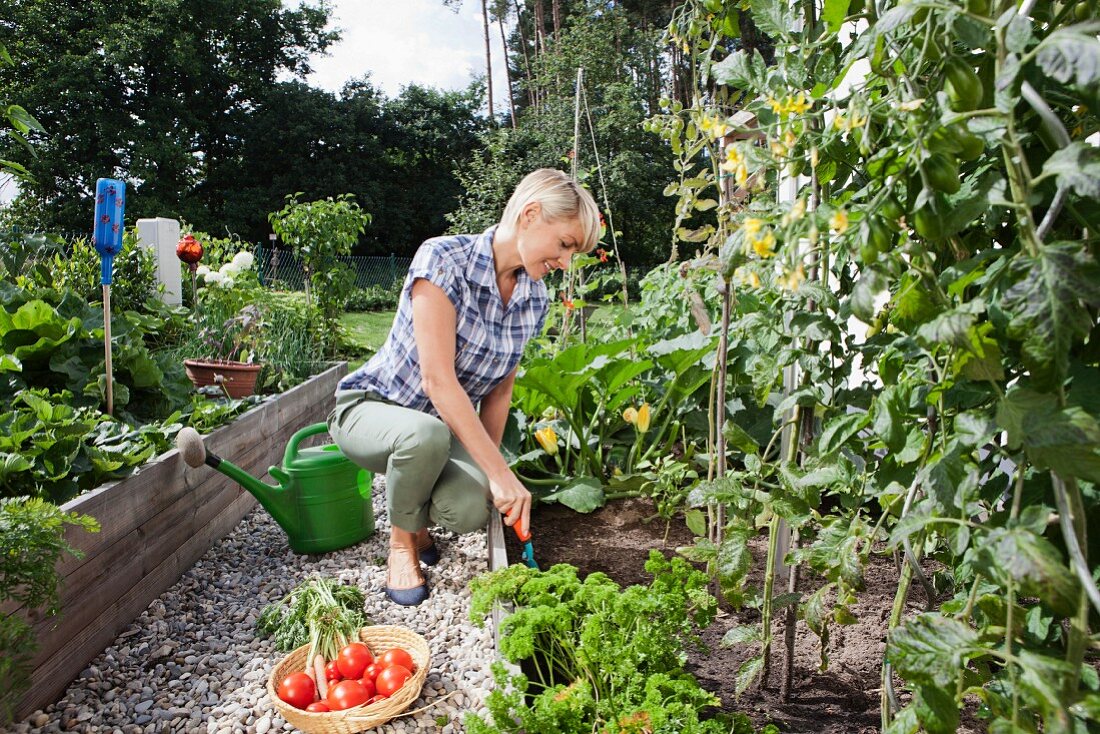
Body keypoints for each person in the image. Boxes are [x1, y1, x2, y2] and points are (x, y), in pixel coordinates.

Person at [328, 168, 601, 605]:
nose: (566, 263)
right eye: (565, 245)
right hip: (371, 408)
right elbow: (438, 381)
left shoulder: (534, 298)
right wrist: (501, 472)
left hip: (436, 431)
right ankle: (402, 543)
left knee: (472, 506)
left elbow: (499, 392)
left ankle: (415, 510)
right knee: (424, 435)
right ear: (530, 215)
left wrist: (488, 476)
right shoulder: (443, 260)